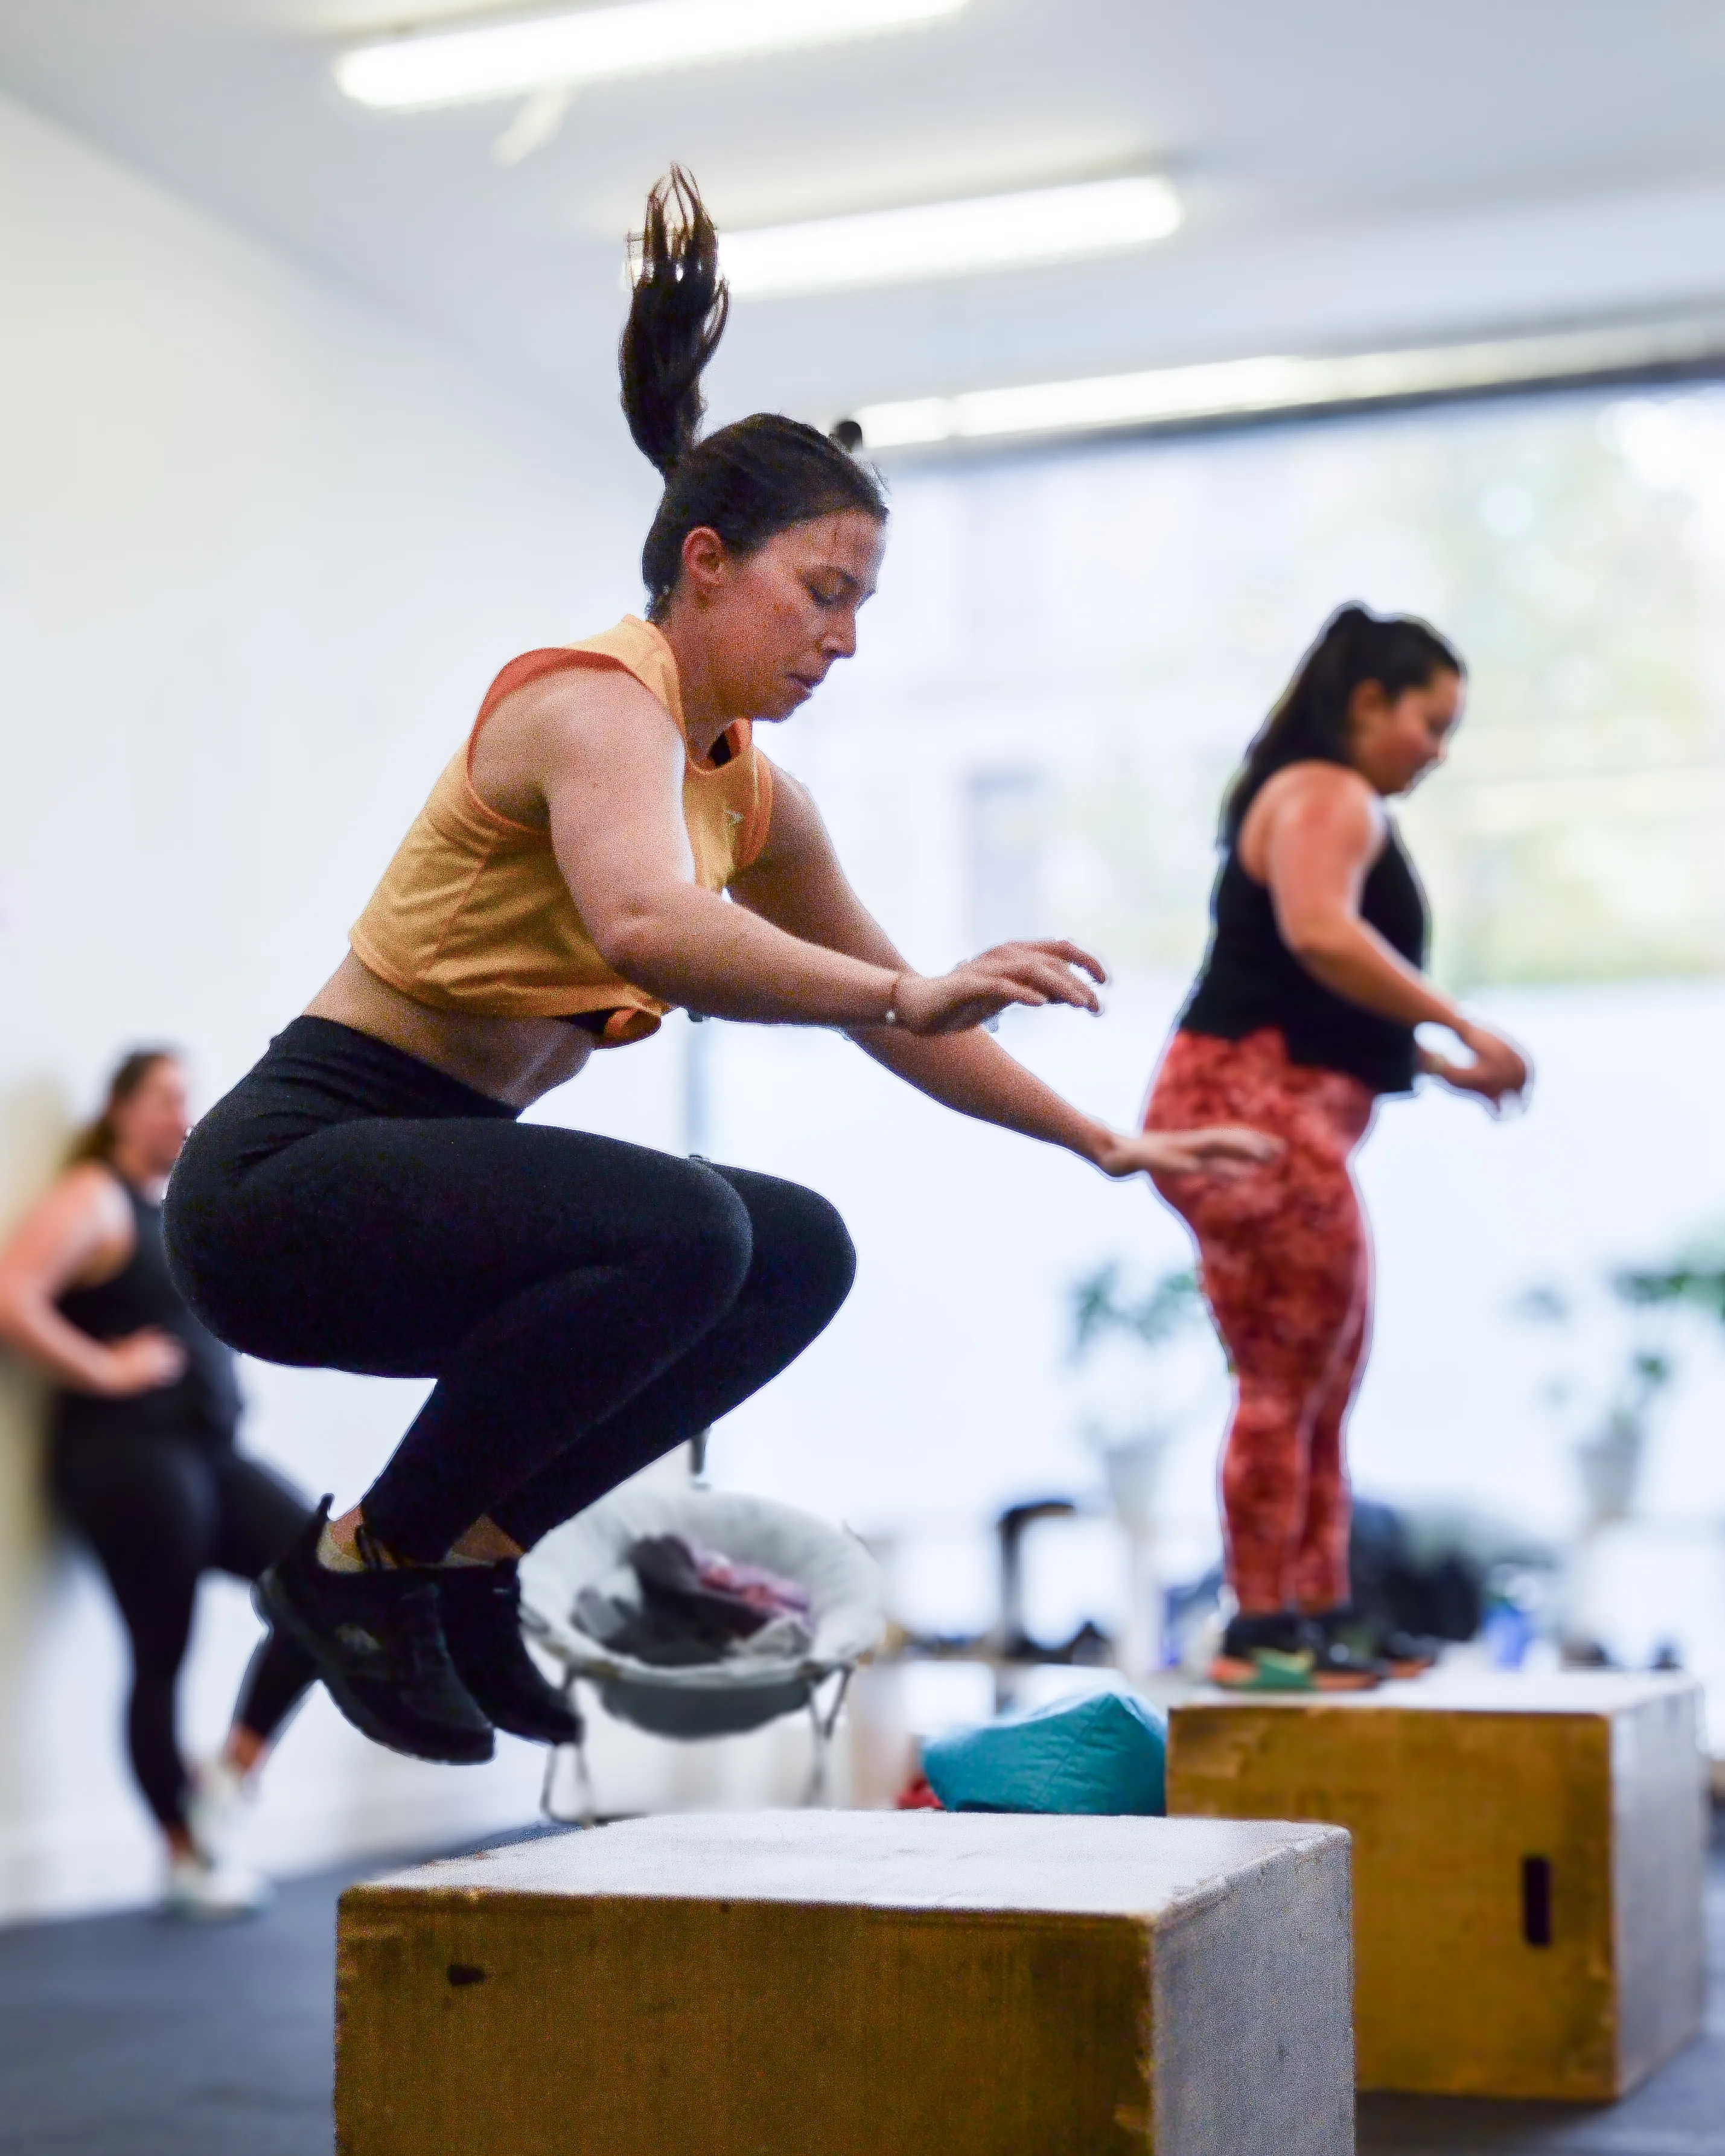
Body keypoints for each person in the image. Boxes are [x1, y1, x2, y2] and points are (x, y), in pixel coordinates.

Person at [161, 169, 1276, 1767]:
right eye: (822, 594)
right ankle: (365, 1567)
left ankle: (473, 1555)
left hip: (424, 1197)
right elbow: (646, 923)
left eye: (861, 606)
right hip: (282, 1189)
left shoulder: (753, 794)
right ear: (704, 561)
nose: (844, 639)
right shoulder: (586, 705)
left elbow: (909, 1016)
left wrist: (1106, 1140)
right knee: (689, 1227)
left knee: (793, 1249)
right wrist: (896, 991)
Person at [1143, 605, 1532, 1691]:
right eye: (1429, 723)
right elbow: (1320, 934)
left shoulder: (1314, 792)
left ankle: (1318, 1615)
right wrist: (1460, 1023)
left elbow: (1311, 990)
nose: (1436, 751)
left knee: (1318, 1373)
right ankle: (1264, 1630)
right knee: (1287, 1378)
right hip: (1248, 1117)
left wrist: (1435, 1064)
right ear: (1367, 703)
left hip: (1264, 1110)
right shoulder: (1328, 792)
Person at [0, 1050, 318, 1918]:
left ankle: (230, 1770)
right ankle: (184, 1857)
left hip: (208, 1453)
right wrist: (105, 1367)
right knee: (161, 1653)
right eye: (166, 1098)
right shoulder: (95, 1196)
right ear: (119, 1111)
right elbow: (14, 1293)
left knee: (322, 1578)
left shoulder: (174, 1207)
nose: (184, 1114)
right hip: (126, 1458)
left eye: (189, 1099)